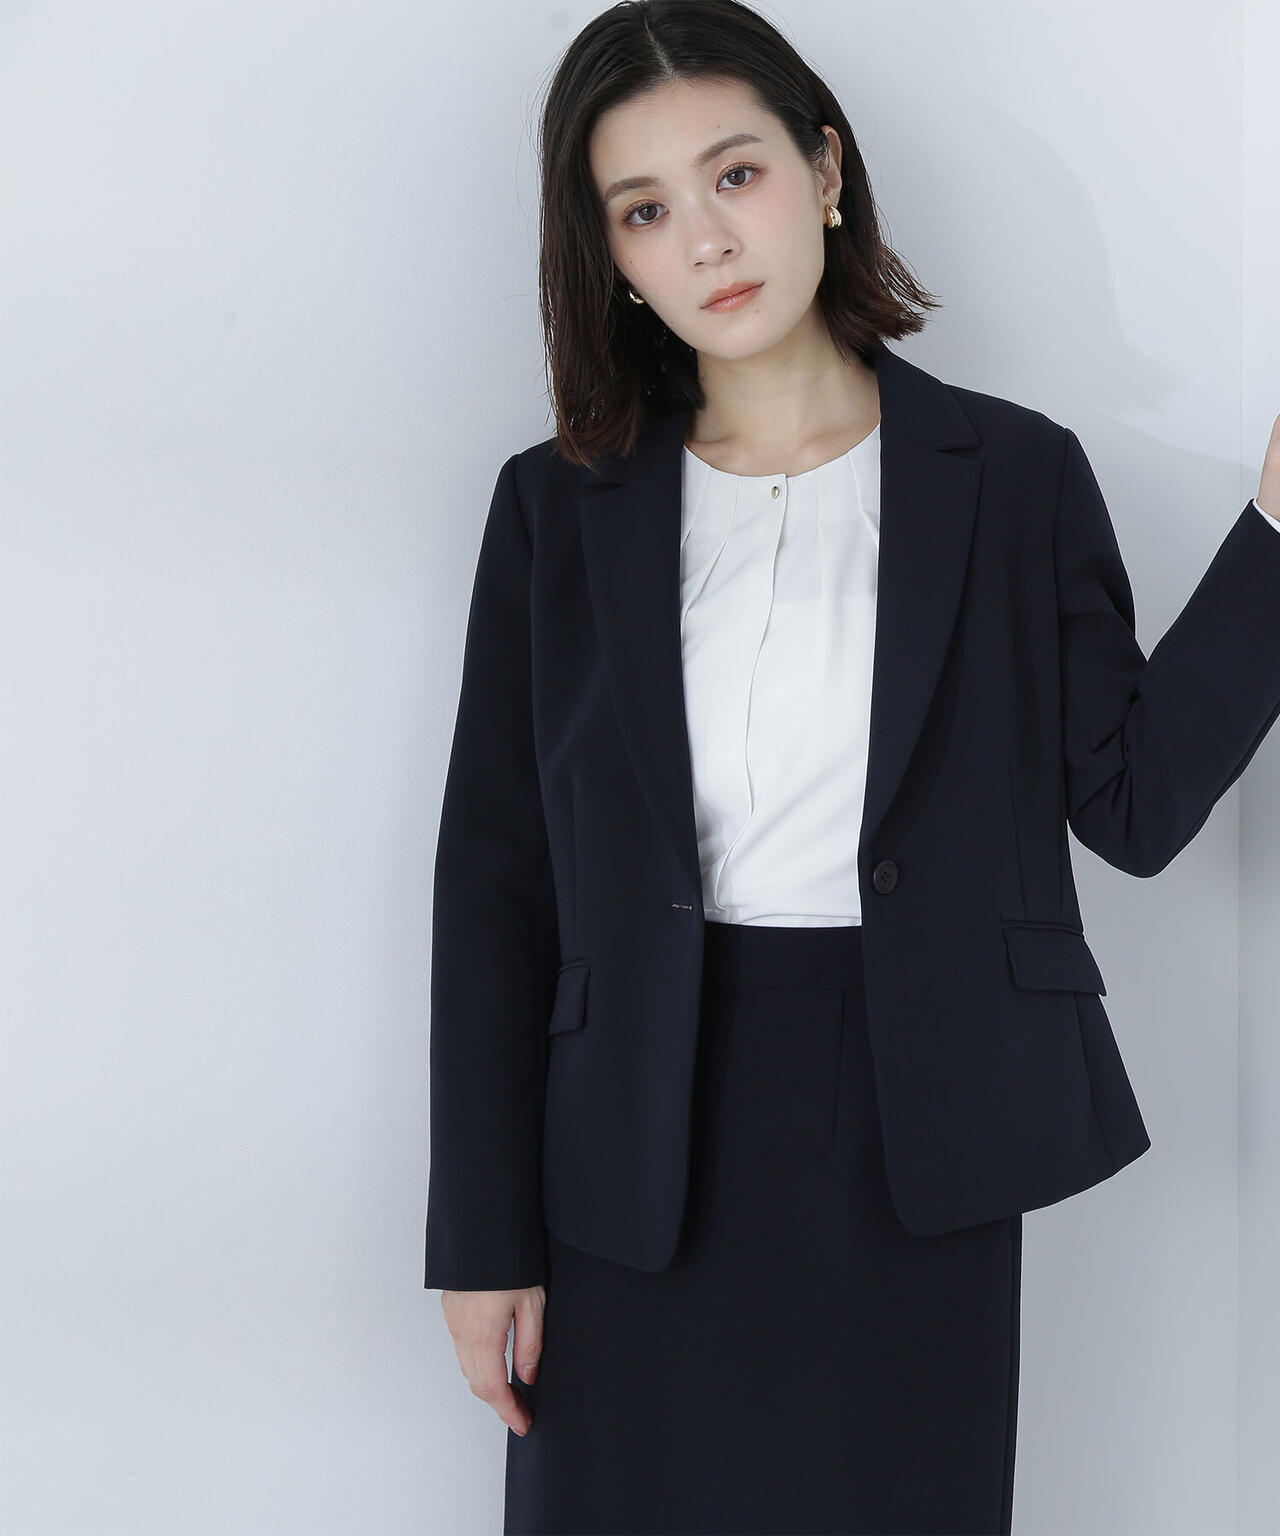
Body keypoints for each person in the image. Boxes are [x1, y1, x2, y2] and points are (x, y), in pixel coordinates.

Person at [423, 2, 1280, 1532]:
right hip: (626, 1138)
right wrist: (481, 1239)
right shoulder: (556, 510)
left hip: (914, 1124)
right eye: (644, 209)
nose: (705, 238)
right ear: (608, 256)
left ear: (824, 171)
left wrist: (1278, 536)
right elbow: (497, 880)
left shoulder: (1011, 477)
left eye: (735, 173)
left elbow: (1136, 806)